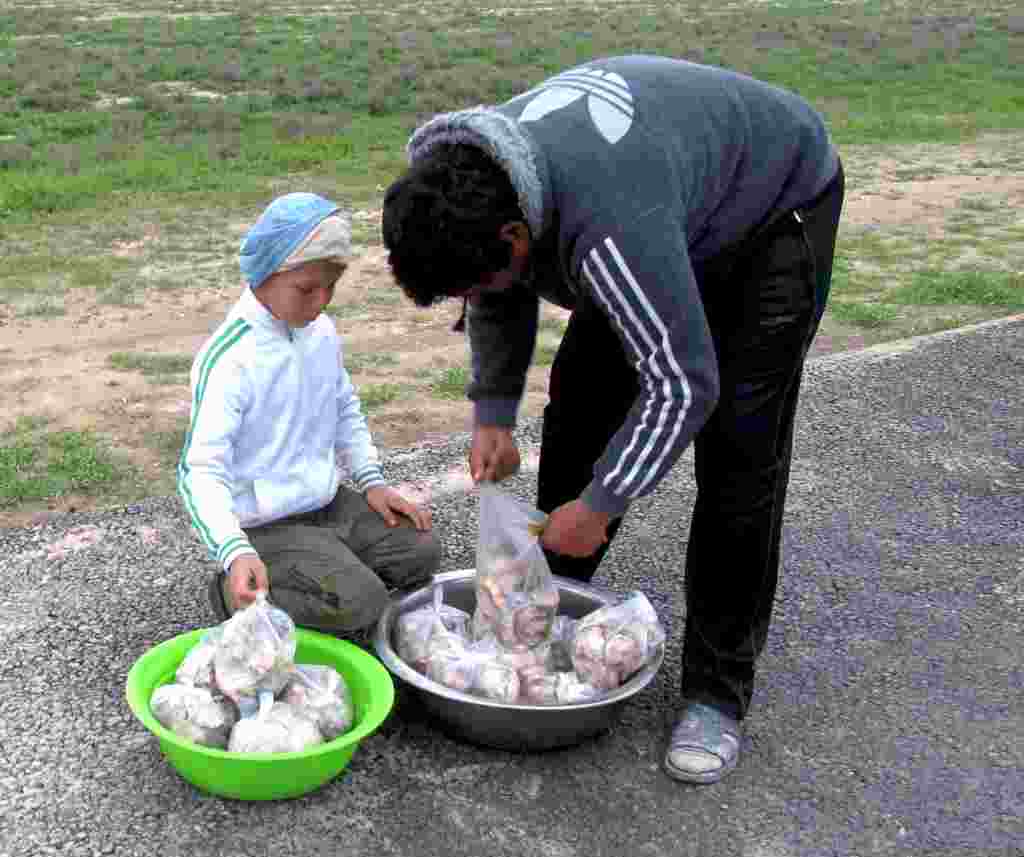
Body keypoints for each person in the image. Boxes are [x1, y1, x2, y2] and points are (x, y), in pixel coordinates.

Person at [382, 55, 844, 783]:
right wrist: (493, 414)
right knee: (582, 404)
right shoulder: (483, 173)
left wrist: (602, 502)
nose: (481, 296)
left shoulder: (605, 228)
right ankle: (545, 613)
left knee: (739, 457)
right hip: (665, 203)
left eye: (484, 276)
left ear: (515, 236)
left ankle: (716, 694)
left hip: (772, 215)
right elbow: (499, 289)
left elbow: (684, 384)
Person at [179, 192, 442, 637]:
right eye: (307, 288)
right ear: (265, 272)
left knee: (422, 551)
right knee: (365, 603)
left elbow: (344, 408)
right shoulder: (230, 358)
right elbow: (198, 470)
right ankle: (229, 591)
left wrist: (372, 482)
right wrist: (233, 548)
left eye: (331, 288)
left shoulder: (320, 333)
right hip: (266, 525)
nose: (321, 301)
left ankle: (328, 565)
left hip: (328, 505)